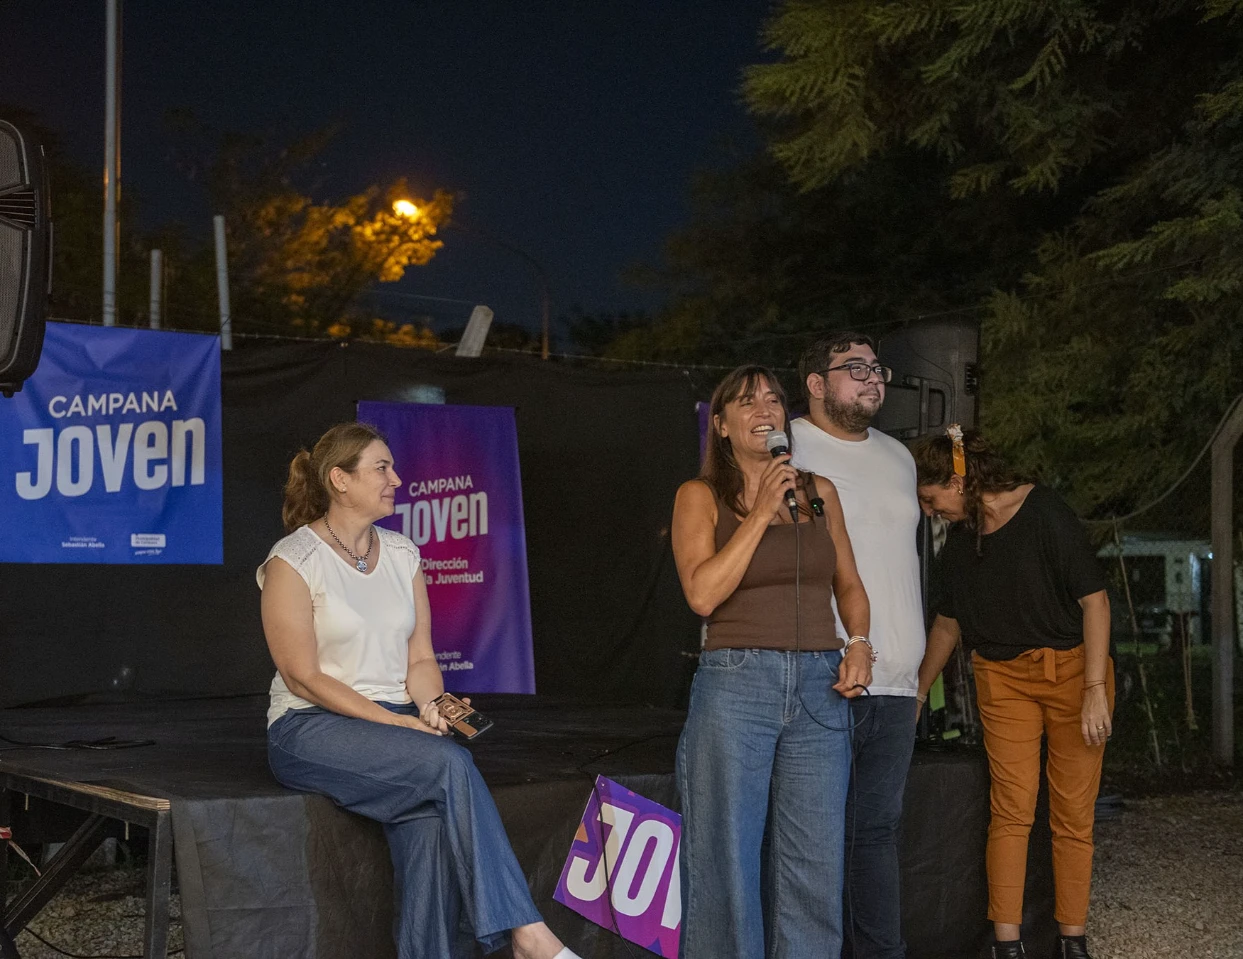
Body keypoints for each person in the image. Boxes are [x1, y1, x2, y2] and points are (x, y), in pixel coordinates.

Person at [258, 422, 580, 959]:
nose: (397, 479)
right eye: (382, 468)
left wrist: (432, 705)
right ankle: (527, 933)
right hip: (309, 725)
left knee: (429, 822)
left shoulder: (403, 553)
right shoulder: (293, 560)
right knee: (448, 764)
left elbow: (421, 658)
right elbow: (302, 677)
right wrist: (397, 723)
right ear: (340, 479)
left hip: (393, 719)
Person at [671, 365, 875, 959]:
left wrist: (860, 644)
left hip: (820, 686)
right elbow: (702, 594)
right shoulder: (699, 496)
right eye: (746, 402)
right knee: (726, 860)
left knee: (815, 863)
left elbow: (849, 585)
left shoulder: (819, 492)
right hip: (738, 685)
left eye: (773, 400)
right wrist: (760, 511)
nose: (764, 410)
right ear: (721, 426)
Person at [913, 427, 1113, 959]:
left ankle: (1072, 941)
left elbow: (1095, 601)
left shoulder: (1044, 512)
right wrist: (918, 693)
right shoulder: (960, 543)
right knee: (1011, 810)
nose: (930, 512)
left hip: (1074, 672)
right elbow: (948, 623)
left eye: (931, 499)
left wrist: (1095, 689)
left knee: (1072, 815)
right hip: (1002, 679)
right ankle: (1008, 946)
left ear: (957, 481)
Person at [790, 332, 925, 959]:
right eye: (856, 368)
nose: (873, 379)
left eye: (877, 368)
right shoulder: (788, 445)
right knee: (810, 836)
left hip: (897, 680)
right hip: (824, 671)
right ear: (817, 384)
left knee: (875, 832)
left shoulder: (899, 456)